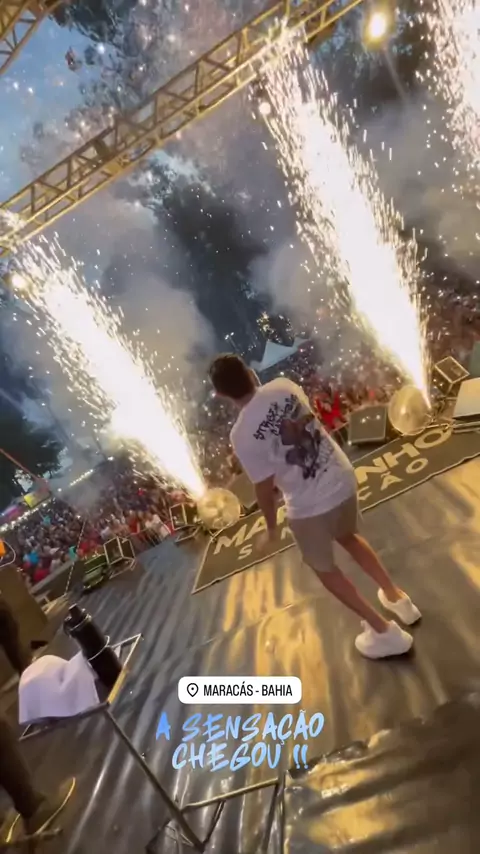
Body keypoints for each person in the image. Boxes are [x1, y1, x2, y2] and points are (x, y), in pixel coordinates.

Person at [209, 355, 421, 659]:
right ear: (249, 372)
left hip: (310, 505)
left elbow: (263, 488)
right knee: (348, 537)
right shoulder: (283, 386)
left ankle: (384, 633)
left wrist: (271, 530)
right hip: (341, 477)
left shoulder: (241, 435)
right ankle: (398, 599)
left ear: (221, 394)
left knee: (324, 569)